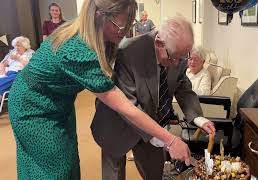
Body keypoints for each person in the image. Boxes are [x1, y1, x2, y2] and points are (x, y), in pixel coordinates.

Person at [8, 0, 191, 179]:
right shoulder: (76, 49)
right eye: (121, 26)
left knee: (69, 161)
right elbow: (125, 107)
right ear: (99, 16)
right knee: (55, 168)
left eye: (130, 23)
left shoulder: (103, 35)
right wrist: (171, 139)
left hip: (60, 101)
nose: (126, 31)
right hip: (32, 105)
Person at [91, 16, 216, 180]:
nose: (178, 63)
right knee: (114, 174)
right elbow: (129, 108)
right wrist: (168, 140)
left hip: (154, 124)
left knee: (154, 173)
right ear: (159, 43)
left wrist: (198, 118)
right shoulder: (128, 52)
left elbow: (182, 86)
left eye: (183, 58)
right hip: (117, 124)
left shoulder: (177, 53)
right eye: (174, 58)